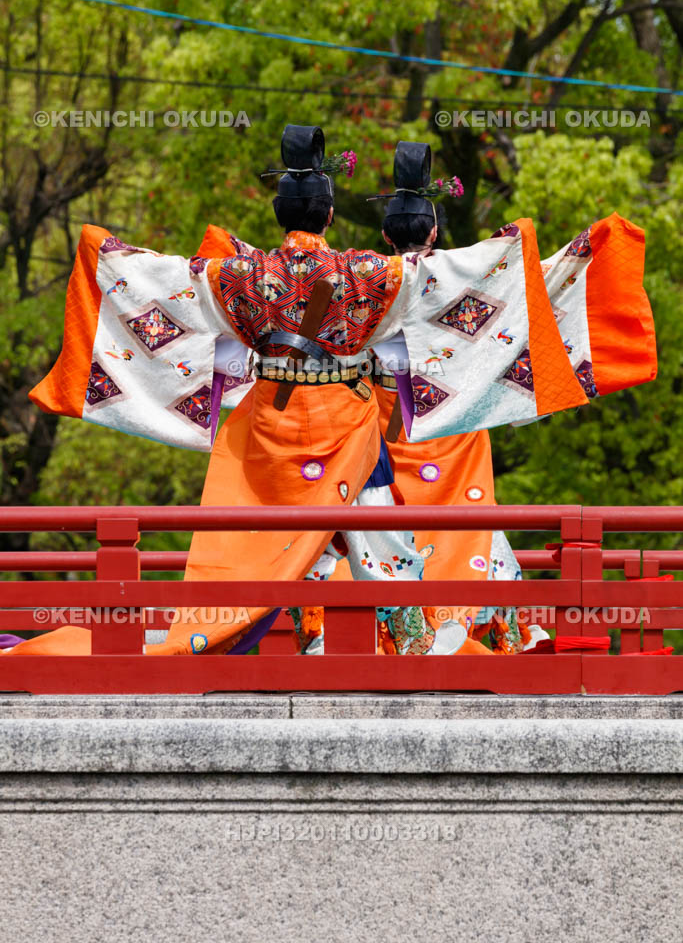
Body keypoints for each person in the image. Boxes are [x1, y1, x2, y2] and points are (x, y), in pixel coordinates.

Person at [9, 126, 656, 659]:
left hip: (271, 433)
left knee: (271, 547)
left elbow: (162, 289)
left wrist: (104, 255)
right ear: (327, 213)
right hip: (347, 426)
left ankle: (264, 632)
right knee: (377, 532)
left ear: (280, 213)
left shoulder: (238, 274)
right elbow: (451, 292)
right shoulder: (368, 273)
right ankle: (413, 638)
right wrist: (570, 258)